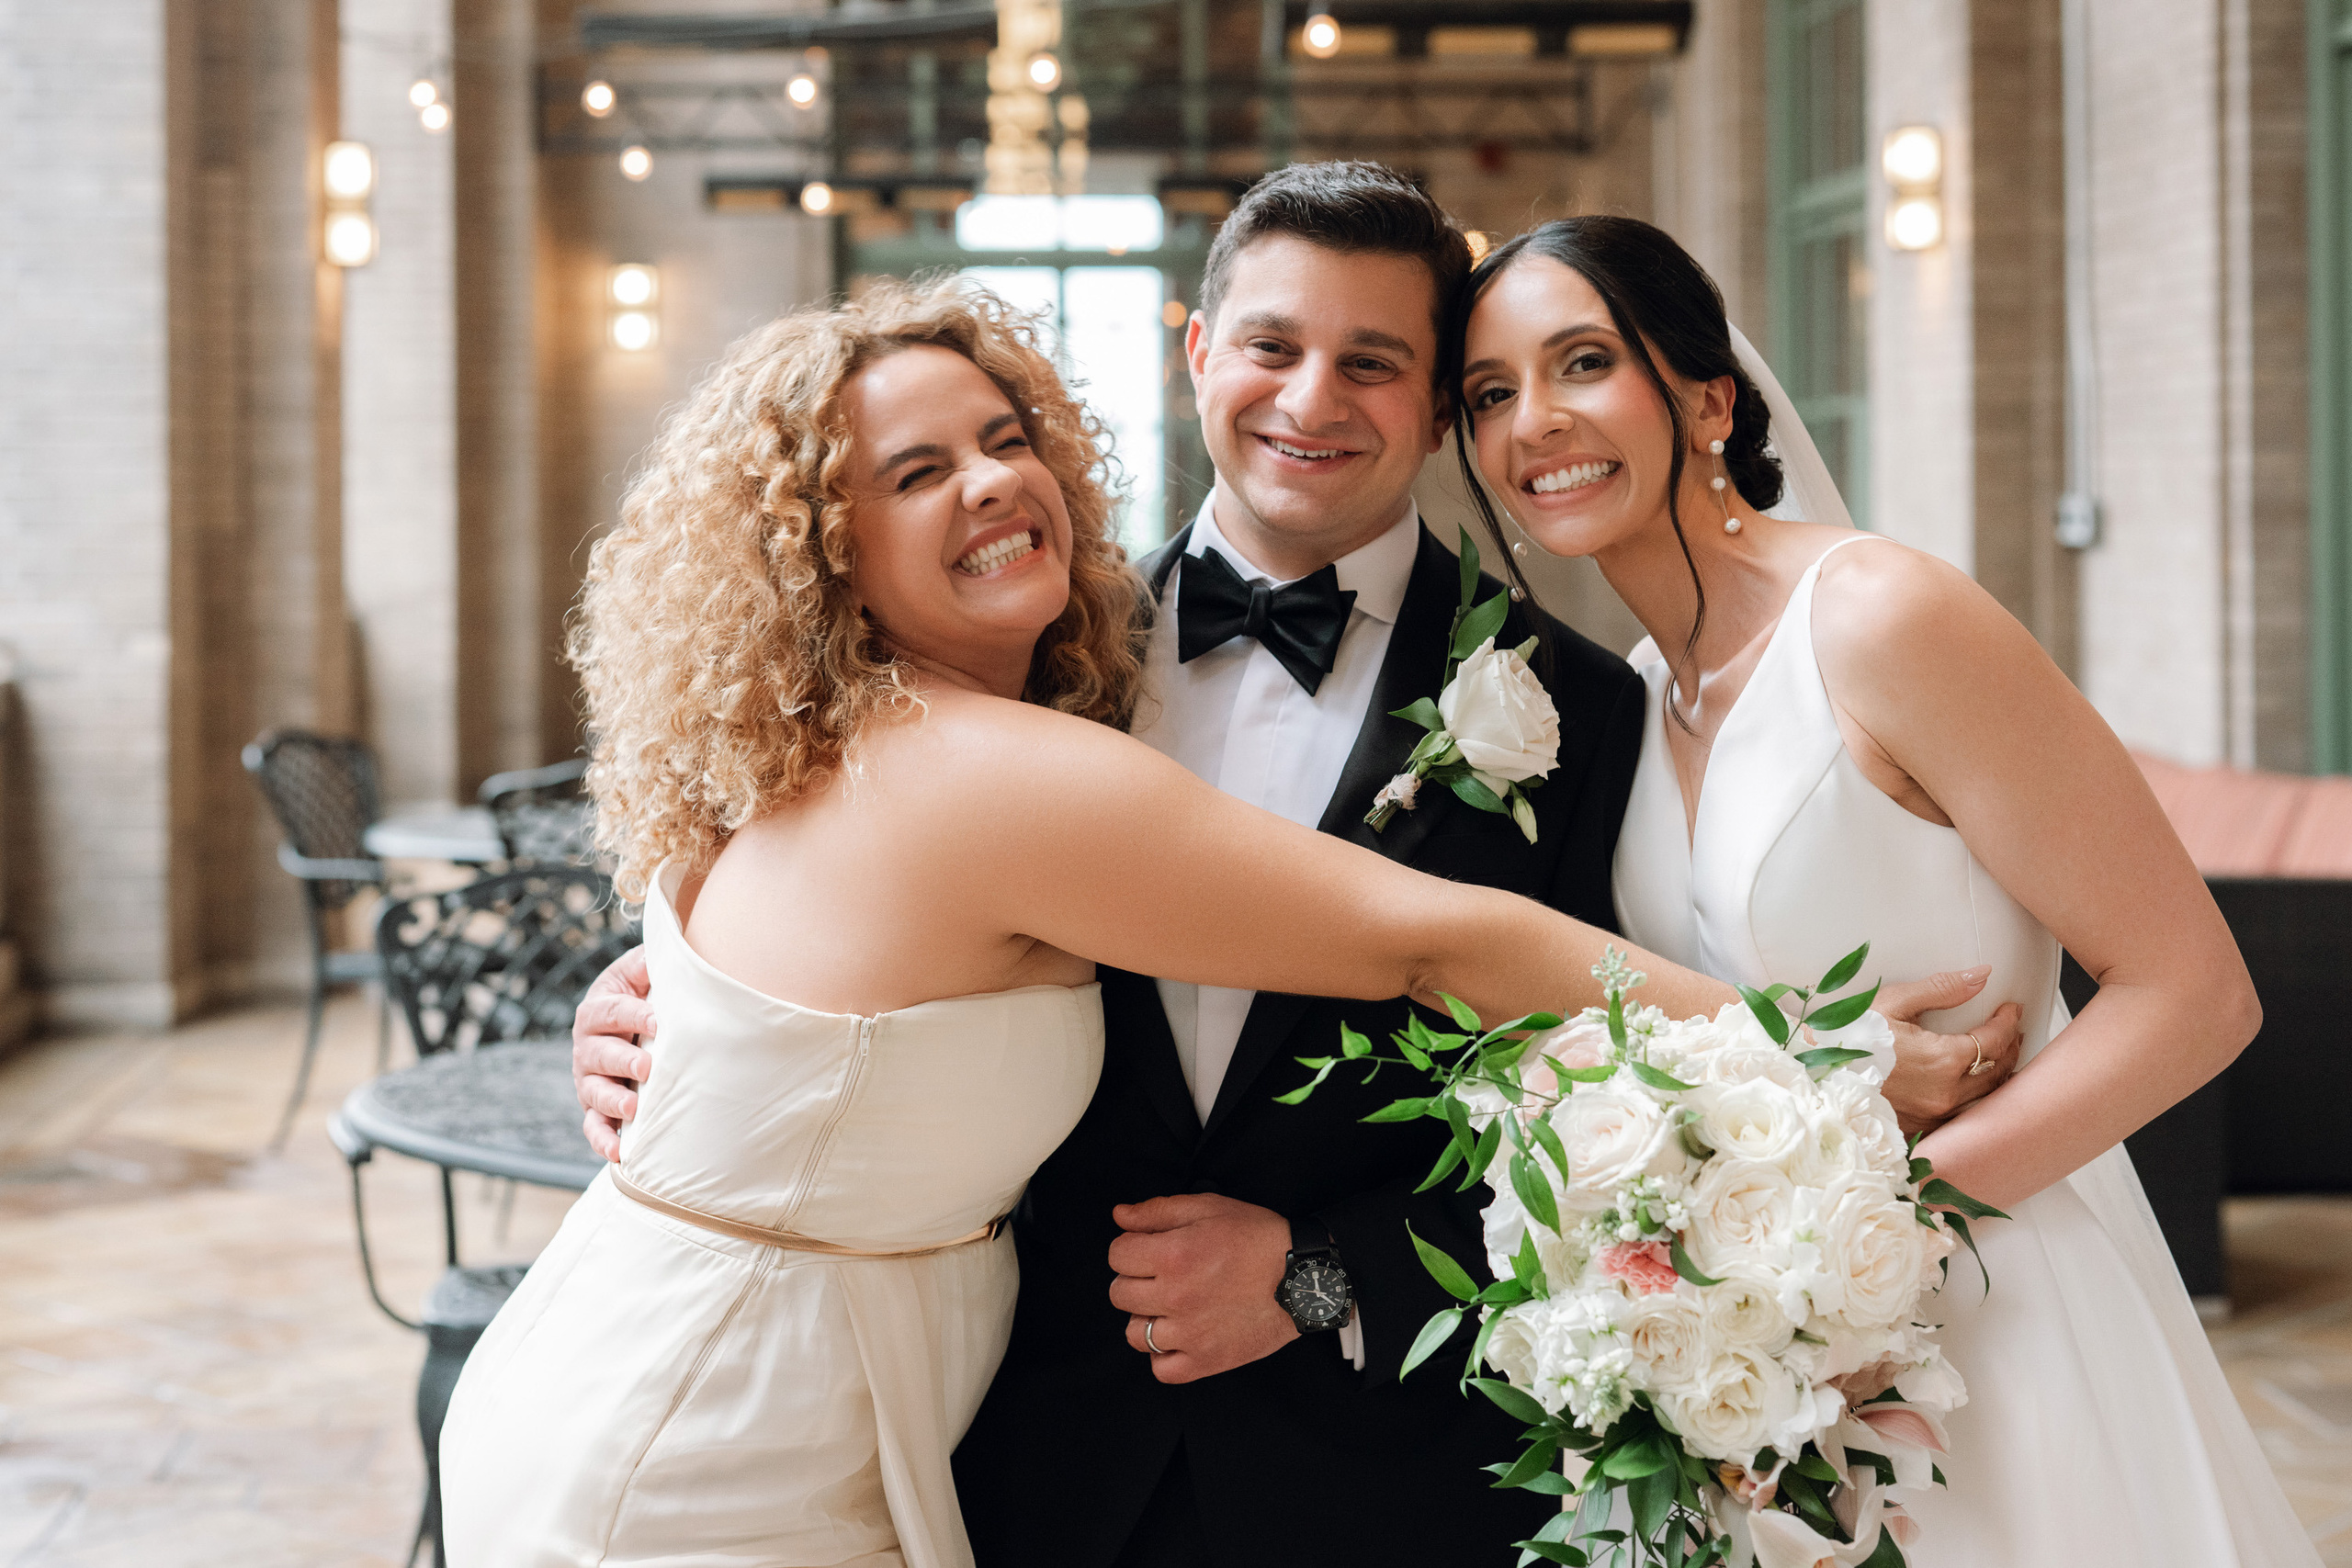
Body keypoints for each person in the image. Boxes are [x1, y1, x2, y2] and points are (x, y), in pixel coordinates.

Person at [565, 164, 2019, 1568]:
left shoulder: (1579, 705)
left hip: (1382, 1461)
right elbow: (835, 899)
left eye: (1376, 362)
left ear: (1442, 408)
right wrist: (656, 1009)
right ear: (1202, 352)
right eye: (1272, 344)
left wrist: (1325, 1273)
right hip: (1026, 1450)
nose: (1312, 400)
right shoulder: (1032, 652)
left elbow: (1592, 1084)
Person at [1452, 213, 2314, 1565]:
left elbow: (2197, 994)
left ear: (1709, 397)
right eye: (1491, 394)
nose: (1534, 424)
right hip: (1758, 1374)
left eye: (1581, 364)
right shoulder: (1629, 697)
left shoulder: (1881, 618)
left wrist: (1869, 1253)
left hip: (1992, 1311)